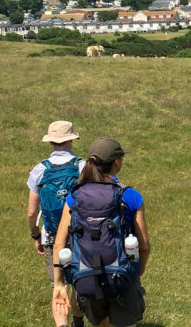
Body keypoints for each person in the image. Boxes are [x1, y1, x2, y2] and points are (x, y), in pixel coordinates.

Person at [52, 136, 150, 327]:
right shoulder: (130, 195)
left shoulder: (75, 196)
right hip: (124, 274)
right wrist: (139, 270)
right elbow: (144, 245)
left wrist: (59, 283)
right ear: (116, 162)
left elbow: (59, 244)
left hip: (87, 277)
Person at [26, 121, 86, 327]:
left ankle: (62, 325)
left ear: (51, 142)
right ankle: (79, 322)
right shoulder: (82, 166)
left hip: (51, 236)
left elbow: (32, 211)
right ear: (71, 140)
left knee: (58, 285)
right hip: (80, 236)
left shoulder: (40, 170)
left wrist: (36, 235)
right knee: (80, 281)